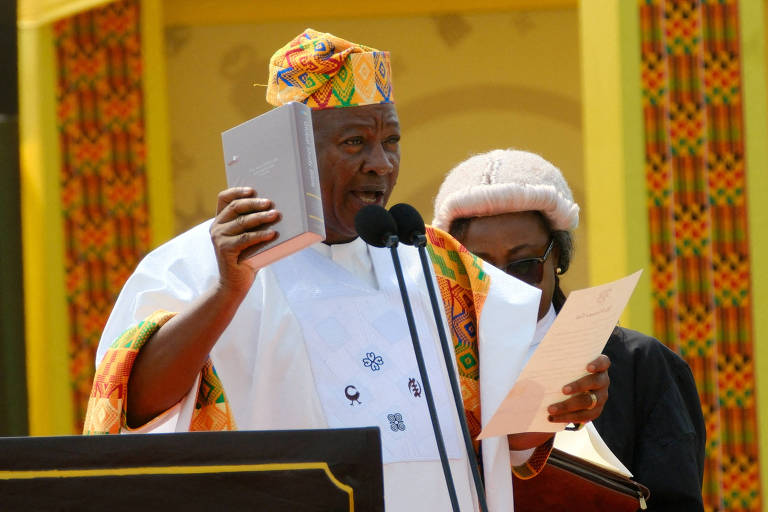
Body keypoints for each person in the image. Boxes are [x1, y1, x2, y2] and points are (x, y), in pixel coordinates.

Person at [83, 30, 610, 510]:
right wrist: (227, 289)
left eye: (391, 141)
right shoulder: (201, 261)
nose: (380, 162)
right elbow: (135, 408)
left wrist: (555, 408)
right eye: (355, 142)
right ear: (292, 153)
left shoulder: (440, 263)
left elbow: (501, 444)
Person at [432, 148, 706, 511]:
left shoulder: (642, 366)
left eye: (523, 266)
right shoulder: (427, 364)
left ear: (558, 257)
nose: (506, 289)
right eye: (484, 273)